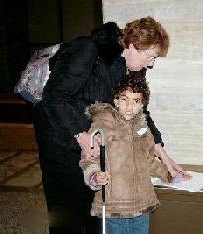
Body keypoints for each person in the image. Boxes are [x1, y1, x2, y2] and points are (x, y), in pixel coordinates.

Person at [33, 17, 187, 233]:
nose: (151, 64)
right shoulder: (88, 50)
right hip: (61, 138)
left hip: (95, 138)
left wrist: (163, 155)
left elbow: (140, 113)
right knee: (67, 212)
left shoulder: (134, 69)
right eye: (150, 57)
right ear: (133, 46)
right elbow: (55, 96)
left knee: (97, 205)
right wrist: (80, 135)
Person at [80, 72, 189, 234]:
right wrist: (95, 176)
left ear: (142, 104)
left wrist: (169, 174)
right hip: (114, 207)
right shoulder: (102, 126)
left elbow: (149, 161)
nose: (129, 106)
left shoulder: (143, 130)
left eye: (136, 101)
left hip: (141, 205)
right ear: (116, 100)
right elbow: (88, 159)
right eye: (124, 99)